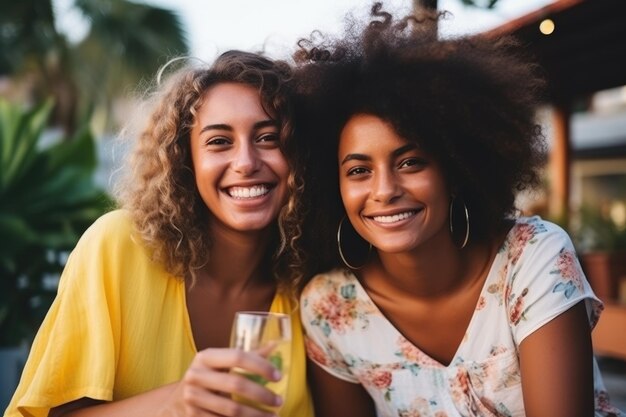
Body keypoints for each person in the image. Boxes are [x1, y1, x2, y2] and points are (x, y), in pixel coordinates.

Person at [292, 4, 624, 417]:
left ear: (455, 167)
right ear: (333, 186)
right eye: (359, 170)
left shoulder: (531, 259)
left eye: (410, 162)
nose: (385, 190)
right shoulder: (330, 309)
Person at [5, 50, 314, 417]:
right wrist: (172, 403)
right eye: (219, 142)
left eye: (268, 138)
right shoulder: (117, 247)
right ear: (186, 160)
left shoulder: (311, 285)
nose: (246, 162)